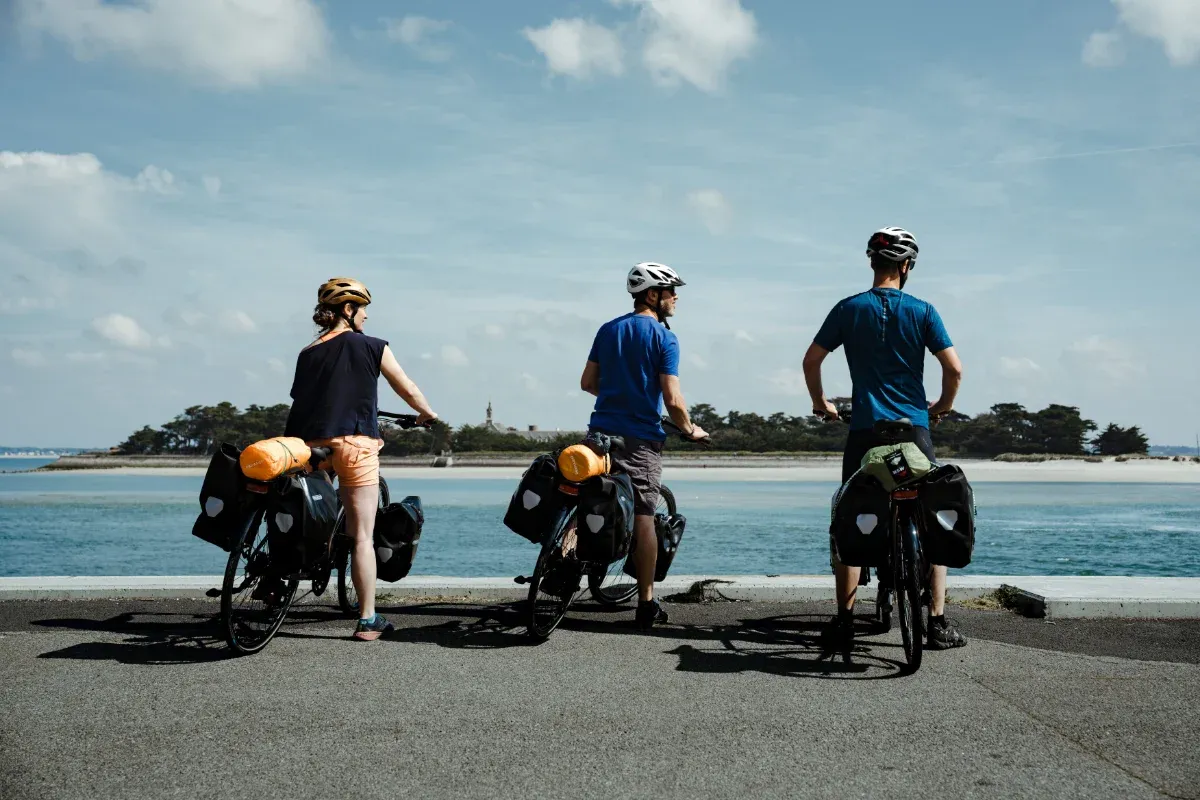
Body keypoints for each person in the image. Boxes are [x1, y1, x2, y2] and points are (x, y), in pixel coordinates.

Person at [801, 228, 967, 650]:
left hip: (865, 433)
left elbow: (811, 360)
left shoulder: (848, 309)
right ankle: (938, 622)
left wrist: (821, 402)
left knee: (849, 515)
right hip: (913, 430)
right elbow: (955, 369)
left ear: (872, 263)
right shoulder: (924, 311)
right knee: (928, 517)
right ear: (906, 266)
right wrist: (942, 405)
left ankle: (844, 620)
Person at [284, 277, 438, 641]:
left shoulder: (307, 353)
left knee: (306, 517)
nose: (366, 317)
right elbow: (406, 387)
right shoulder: (371, 346)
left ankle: (277, 585)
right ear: (348, 310)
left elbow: (300, 400)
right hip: (355, 445)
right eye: (363, 309)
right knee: (362, 537)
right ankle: (368, 620)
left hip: (308, 446)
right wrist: (427, 413)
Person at [579, 262, 709, 630]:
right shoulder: (664, 338)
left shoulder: (609, 329)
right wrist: (690, 429)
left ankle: (562, 567)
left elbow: (588, 382)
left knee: (586, 496)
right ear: (653, 295)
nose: (676, 298)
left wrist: (619, 393)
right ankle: (646, 603)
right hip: (639, 441)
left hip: (599, 434)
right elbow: (672, 398)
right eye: (671, 292)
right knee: (644, 517)